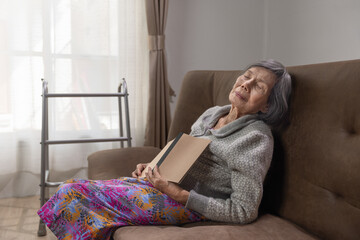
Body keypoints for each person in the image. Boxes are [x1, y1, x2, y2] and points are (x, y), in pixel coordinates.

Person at [37, 59, 292, 240]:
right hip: (161, 188)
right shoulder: (213, 113)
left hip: (187, 204)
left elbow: (244, 211)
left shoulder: (256, 139)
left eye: (259, 86)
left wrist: (180, 195)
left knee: (73, 194)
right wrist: (155, 165)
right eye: (247, 75)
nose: (246, 83)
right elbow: (186, 154)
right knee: (72, 191)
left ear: (267, 107)